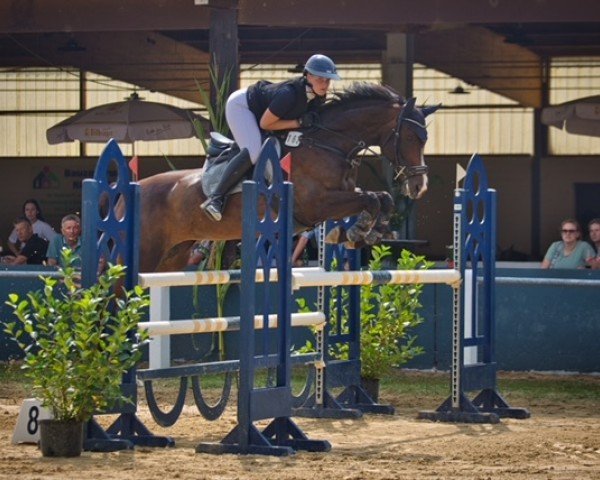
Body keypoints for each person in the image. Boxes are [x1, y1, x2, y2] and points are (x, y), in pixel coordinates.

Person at [201, 53, 341, 221]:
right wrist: (298, 122)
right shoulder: (288, 94)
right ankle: (215, 198)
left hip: (262, 113)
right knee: (253, 151)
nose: (325, 84)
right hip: (242, 106)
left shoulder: (317, 98)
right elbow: (265, 124)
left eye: (328, 80)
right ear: (308, 75)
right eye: (320, 79)